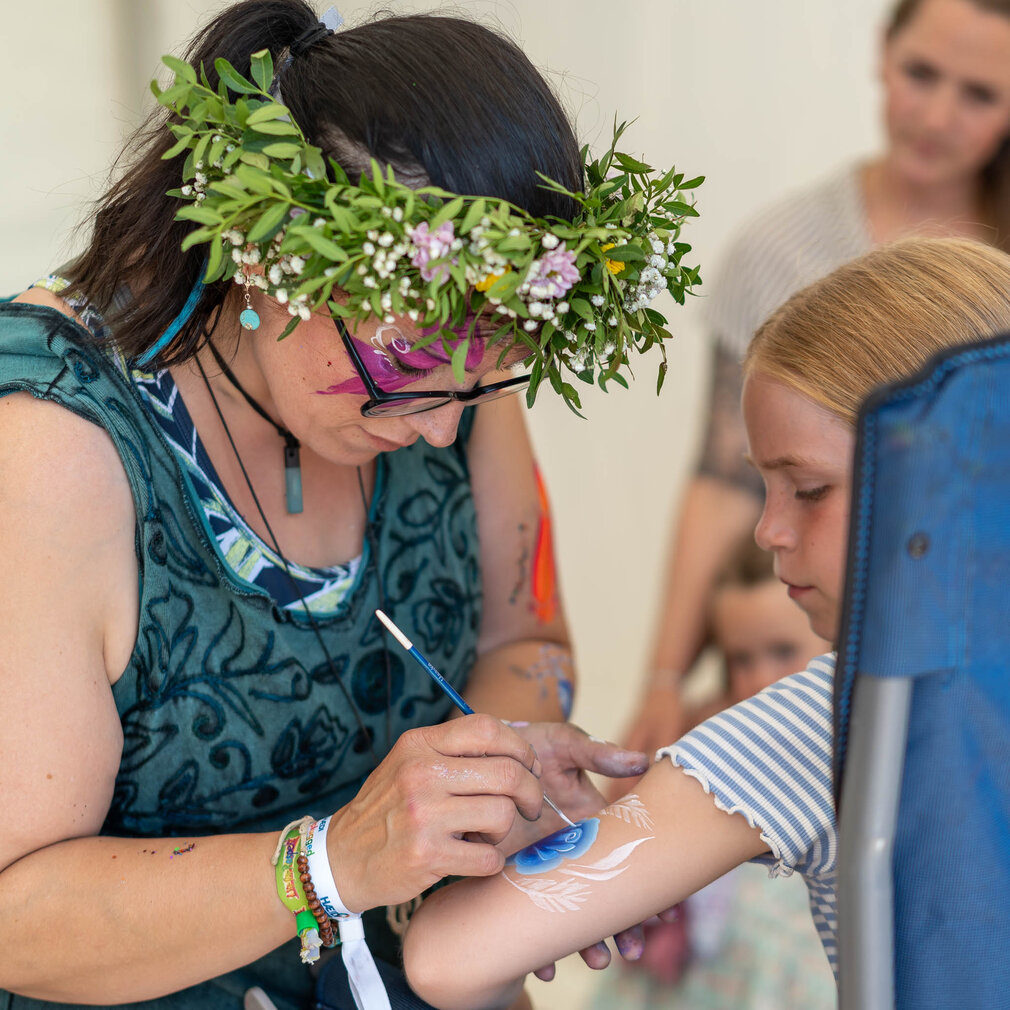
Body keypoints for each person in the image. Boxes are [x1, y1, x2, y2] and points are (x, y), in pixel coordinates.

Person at [0, 3, 702, 1008]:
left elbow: (525, 640)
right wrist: (329, 865)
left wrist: (496, 779)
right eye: (405, 366)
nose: (442, 431)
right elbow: (13, 912)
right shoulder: (52, 449)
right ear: (264, 254)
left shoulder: (447, 378)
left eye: (485, 380)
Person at [400, 235, 1010, 1010]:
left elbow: (450, 958)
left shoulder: (836, 718)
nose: (768, 530)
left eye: (809, 490)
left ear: (962, 472)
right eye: (764, 488)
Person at [618, 0, 1010, 761]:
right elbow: (725, 480)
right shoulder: (783, 252)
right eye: (921, 73)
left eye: (979, 94)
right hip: (819, 657)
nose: (937, 116)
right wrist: (664, 679)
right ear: (882, 53)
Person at [590, 535, 835, 1010]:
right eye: (740, 658)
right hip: (697, 970)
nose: (759, 679)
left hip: (787, 963)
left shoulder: (848, 742)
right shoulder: (706, 736)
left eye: (783, 651)